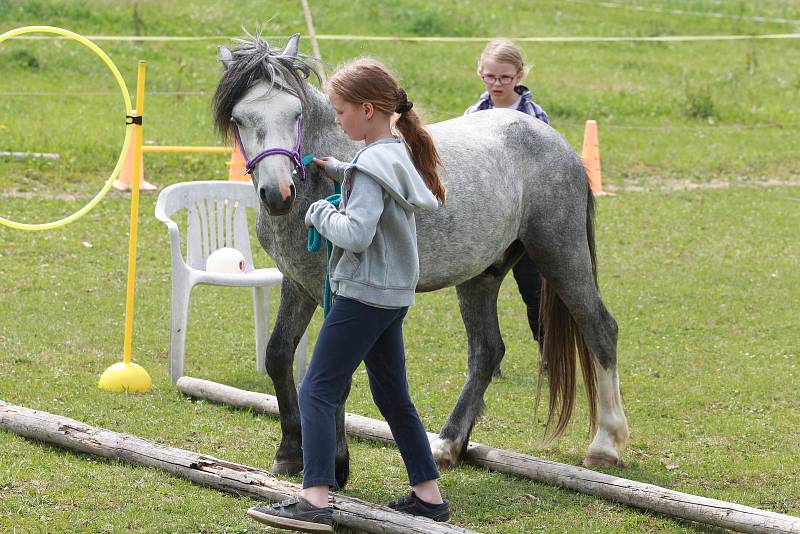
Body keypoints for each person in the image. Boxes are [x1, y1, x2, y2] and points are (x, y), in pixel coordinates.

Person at [247, 58, 450, 533]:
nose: (335, 120)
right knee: (393, 396)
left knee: (317, 389)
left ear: (367, 109)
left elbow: (356, 233)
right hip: (392, 294)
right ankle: (428, 496)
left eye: (339, 112)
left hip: (361, 294)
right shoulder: (394, 153)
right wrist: (337, 169)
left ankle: (314, 498)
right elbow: (372, 180)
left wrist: (318, 211)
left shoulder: (372, 164)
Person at [465, 39, 549, 355]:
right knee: (479, 289)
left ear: (519, 75)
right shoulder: (473, 114)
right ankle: (486, 354)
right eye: (490, 77)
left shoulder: (534, 117)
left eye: (505, 78)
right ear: (480, 74)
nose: (497, 84)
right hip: (490, 218)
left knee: (535, 290)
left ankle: (547, 348)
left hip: (525, 220)